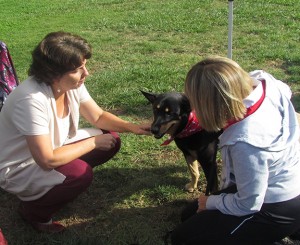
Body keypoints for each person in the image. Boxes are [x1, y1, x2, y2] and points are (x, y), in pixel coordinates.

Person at [0, 31, 150, 233]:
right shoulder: (31, 100)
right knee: (80, 173)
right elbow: (47, 160)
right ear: (54, 73)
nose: (86, 73)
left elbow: (97, 117)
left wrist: (134, 127)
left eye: (84, 65)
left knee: (111, 138)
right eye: (79, 69)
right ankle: (34, 212)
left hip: (51, 148)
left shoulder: (69, 84)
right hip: (19, 166)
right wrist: (93, 143)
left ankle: (56, 187)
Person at [170, 56, 300, 244]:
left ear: (212, 104)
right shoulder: (265, 82)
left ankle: (282, 231)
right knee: (189, 215)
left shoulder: (246, 143)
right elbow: (285, 90)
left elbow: (248, 204)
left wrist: (211, 202)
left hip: (277, 205)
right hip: (284, 177)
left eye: (194, 101)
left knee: (183, 238)